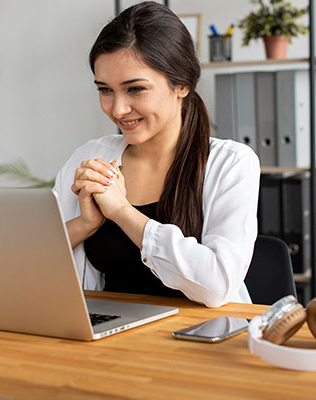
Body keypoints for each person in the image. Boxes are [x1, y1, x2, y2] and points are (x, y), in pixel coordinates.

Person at [52, 1, 260, 308]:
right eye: (105, 90)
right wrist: (85, 224)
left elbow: (217, 285)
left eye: (135, 89)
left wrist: (123, 212)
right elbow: (29, 267)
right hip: (107, 339)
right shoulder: (91, 157)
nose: (117, 109)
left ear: (182, 85)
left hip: (199, 340)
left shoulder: (231, 164)